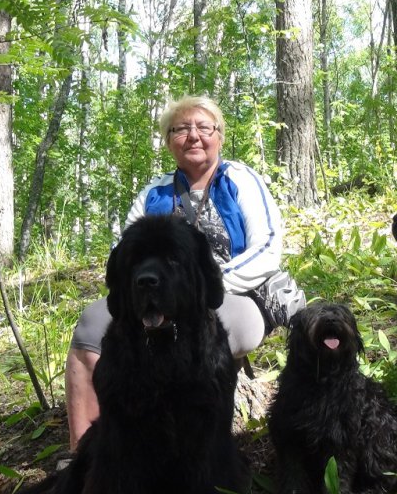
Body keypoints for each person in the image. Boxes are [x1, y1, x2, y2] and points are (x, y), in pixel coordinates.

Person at [65, 95, 285, 450]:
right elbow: (124, 255)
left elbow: (268, 247)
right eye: (181, 129)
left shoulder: (240, 180)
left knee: (229, 331)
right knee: (91, 324)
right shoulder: (154, 192)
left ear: (219, 136)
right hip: (152, 294)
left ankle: (207, 449)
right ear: (169, 141)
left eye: (203, 127)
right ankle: (85, 451)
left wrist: (201, 285)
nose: (193, 136)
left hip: (230, 293)